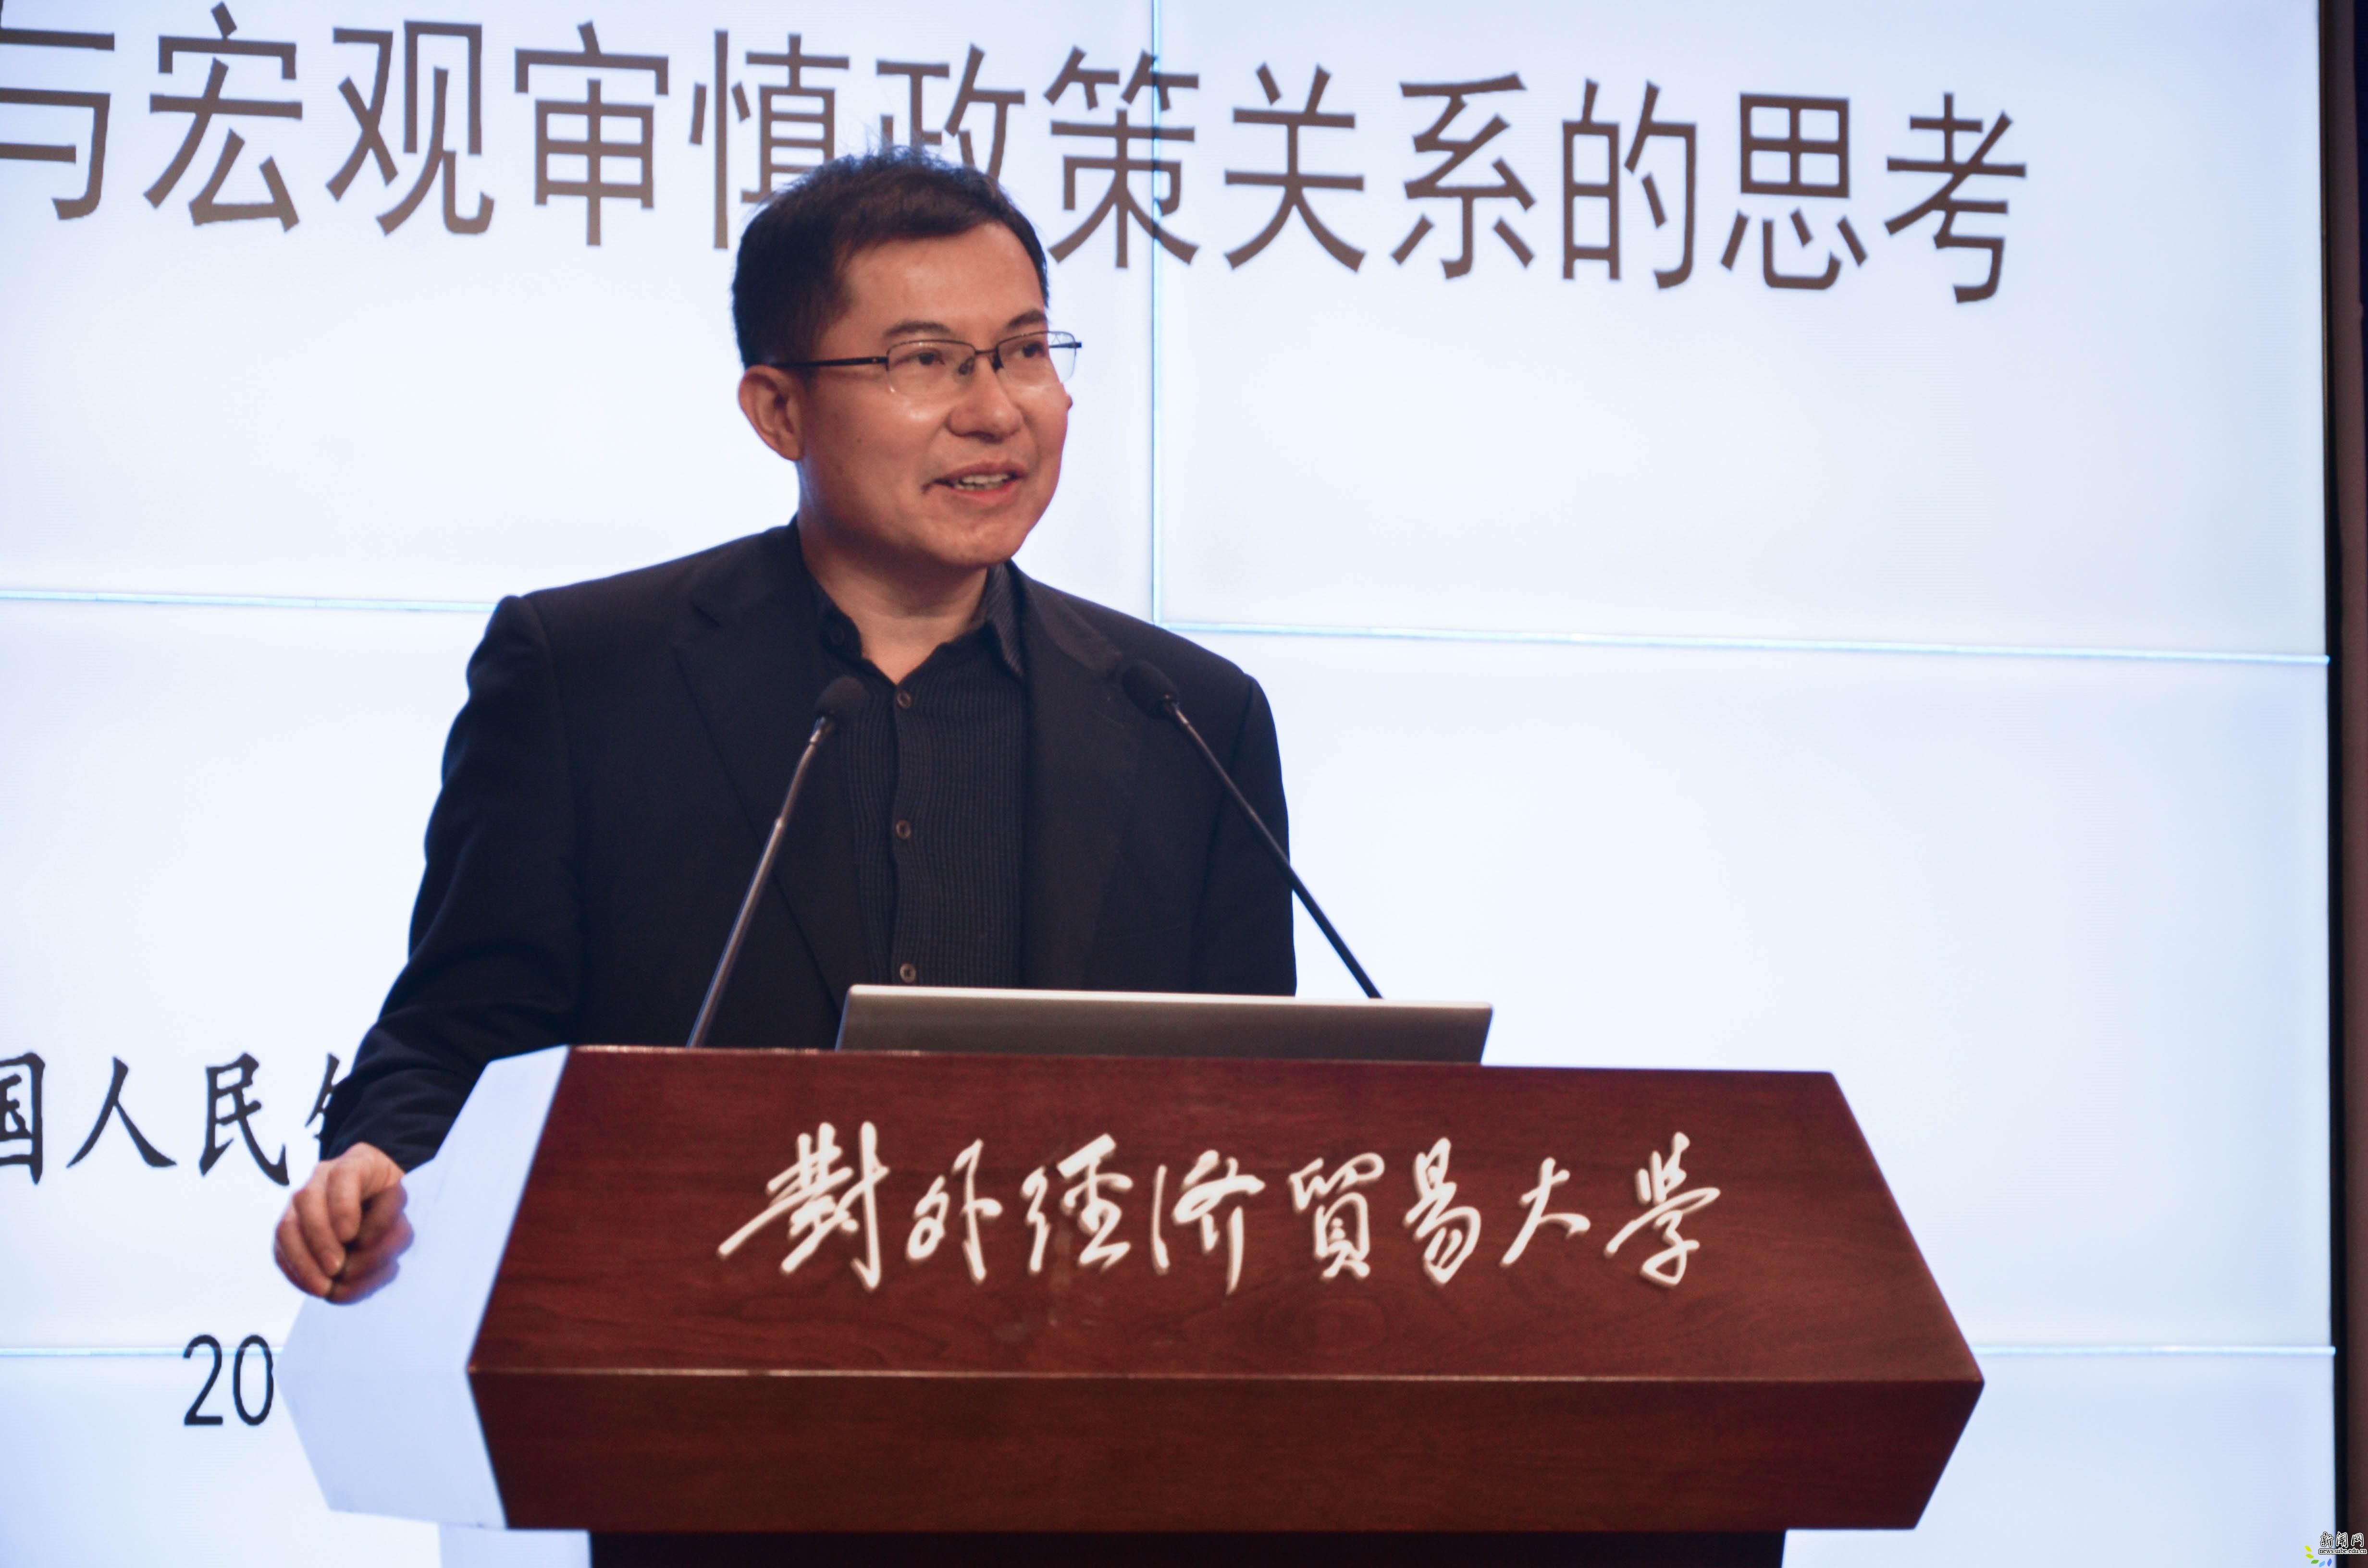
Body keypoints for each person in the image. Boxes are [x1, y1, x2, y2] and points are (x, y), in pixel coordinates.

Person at [272, 150, 1296, 1302]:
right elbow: (456, 1038)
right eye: (925, 361)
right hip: (680, 1348)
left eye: (1023, 351)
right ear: (778, 410)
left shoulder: (1185, 717)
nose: (995, 410)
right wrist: (383, 1166)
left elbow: (1259, 1118)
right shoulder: (587, 674)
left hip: (1072, 1371)